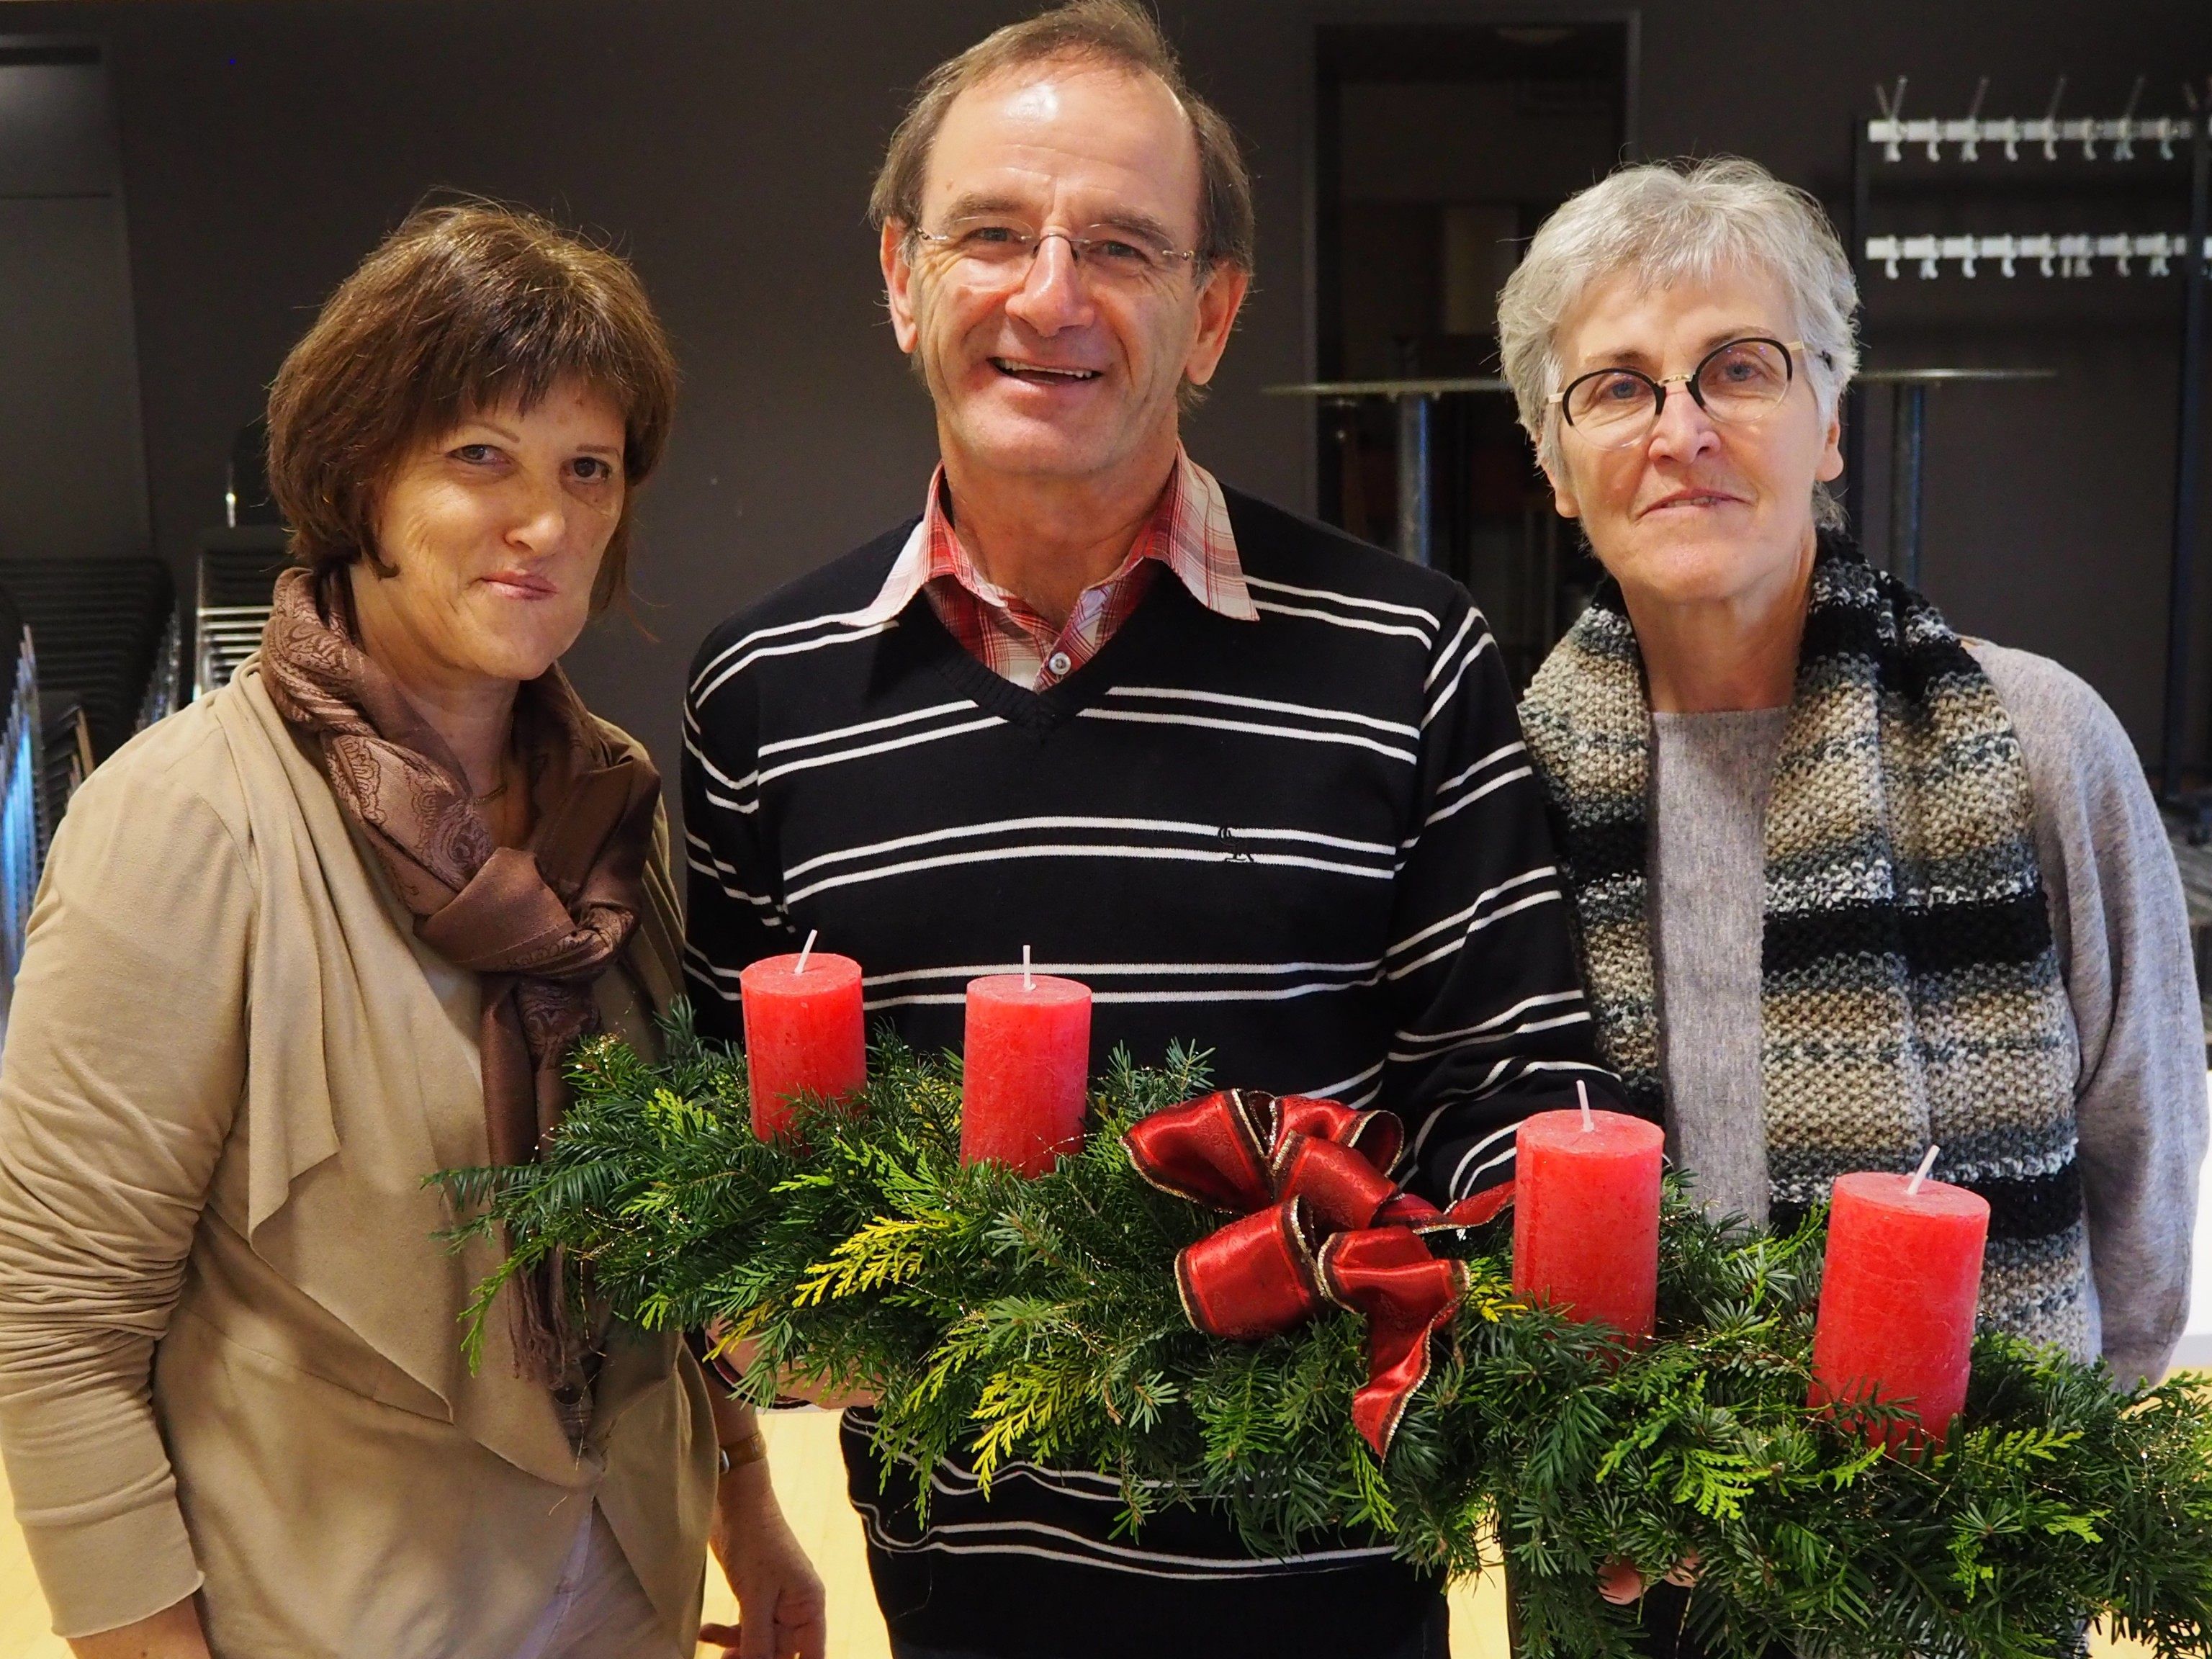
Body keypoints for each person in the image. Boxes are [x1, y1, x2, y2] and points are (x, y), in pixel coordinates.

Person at [680, 5, 1628, 1658]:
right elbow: (712, 1151)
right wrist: (768, 1325)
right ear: (904, 279)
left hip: (1337, 1606)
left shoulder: (1407, 662)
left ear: (1210, 316)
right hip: (954, 1611)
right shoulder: (766, 695)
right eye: (993, 234)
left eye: (1121, 246)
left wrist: (1546, 1405)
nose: (1049, 295)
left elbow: (1515, 1103)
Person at [0, 204, 824, 1659]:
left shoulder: (607, 806)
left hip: (627, 1597)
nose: (549, 522)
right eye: (480, 459)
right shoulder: (185, 824)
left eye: (588, 468)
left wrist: (748, 1512)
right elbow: (55, 1334)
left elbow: (669, 1241)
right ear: (360, 479)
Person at [1499, 156, 2209, 1653]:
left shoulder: (2038, 741)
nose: (1682, 430)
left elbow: (2142, 1156)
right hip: (1617, 1548)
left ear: (1830, 419)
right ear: (1554, 465)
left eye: (1738, 369)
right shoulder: (1509, 784)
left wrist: (2035, 1442)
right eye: (1617, 388)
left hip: (1959, 1551)